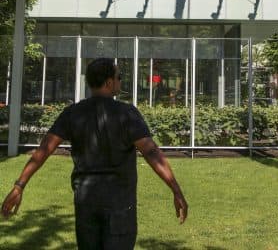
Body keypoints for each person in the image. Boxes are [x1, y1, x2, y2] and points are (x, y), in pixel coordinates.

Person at [1, 58, 188, 249]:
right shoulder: (127, 114)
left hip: (86, 202)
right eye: (119, 77)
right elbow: (151, 153)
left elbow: (44, 150)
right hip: (120, 205)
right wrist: (176, 190)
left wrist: (19, 186)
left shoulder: (72, 113)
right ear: (108, 82)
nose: (120, 81)